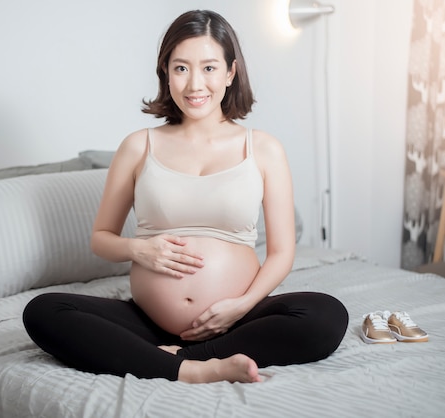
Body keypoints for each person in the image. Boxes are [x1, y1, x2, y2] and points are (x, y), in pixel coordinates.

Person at [23, 9, 348, 384]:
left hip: (235, 319)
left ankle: (182, 358)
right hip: (148, 321)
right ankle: (195, 369)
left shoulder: (263, 148)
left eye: (209, 68)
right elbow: (102, 239)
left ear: (230, 72)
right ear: (166, 73)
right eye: (181, 68)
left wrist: (240, 306)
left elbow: (281, 252)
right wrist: (139, 250)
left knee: (327, 315)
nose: (195, 84)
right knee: (44, 311)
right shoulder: (137, 146)